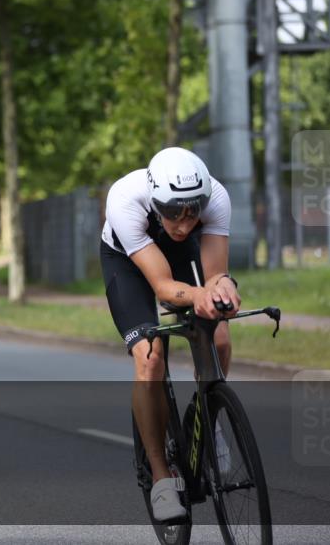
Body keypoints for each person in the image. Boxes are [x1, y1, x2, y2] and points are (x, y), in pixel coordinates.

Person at [100, 147, 239, 521]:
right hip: (127, 260)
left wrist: (222, 290)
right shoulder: (125, 200)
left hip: (181, 255)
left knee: (219, 336)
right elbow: (162, 286)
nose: (182, 221)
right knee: (150, 356)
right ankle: (161, 477)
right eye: (173, 212)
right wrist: (200, 294)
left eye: (193, 211)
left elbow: (215, 275)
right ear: (156, 201)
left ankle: (207, 423)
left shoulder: (216, 197)